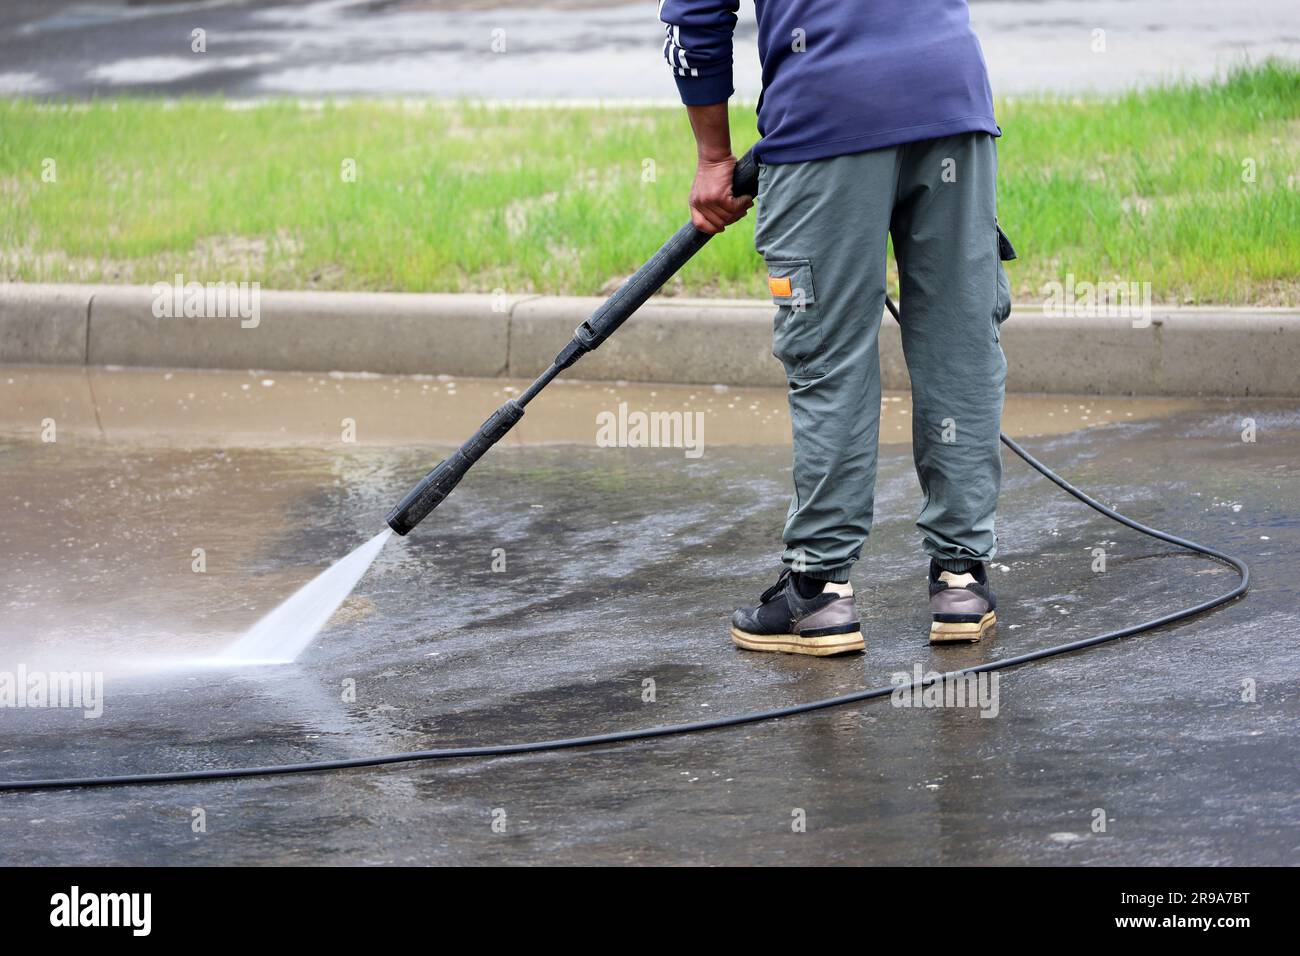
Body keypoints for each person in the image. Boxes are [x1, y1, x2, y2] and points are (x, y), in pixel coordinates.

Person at [660, 0, 1015, 655]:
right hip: (950, 97)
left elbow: (694, 13)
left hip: (824, 116)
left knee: (829, 357)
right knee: (960, 346)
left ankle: (820, 593)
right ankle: (961, 581)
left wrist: (714, 156)